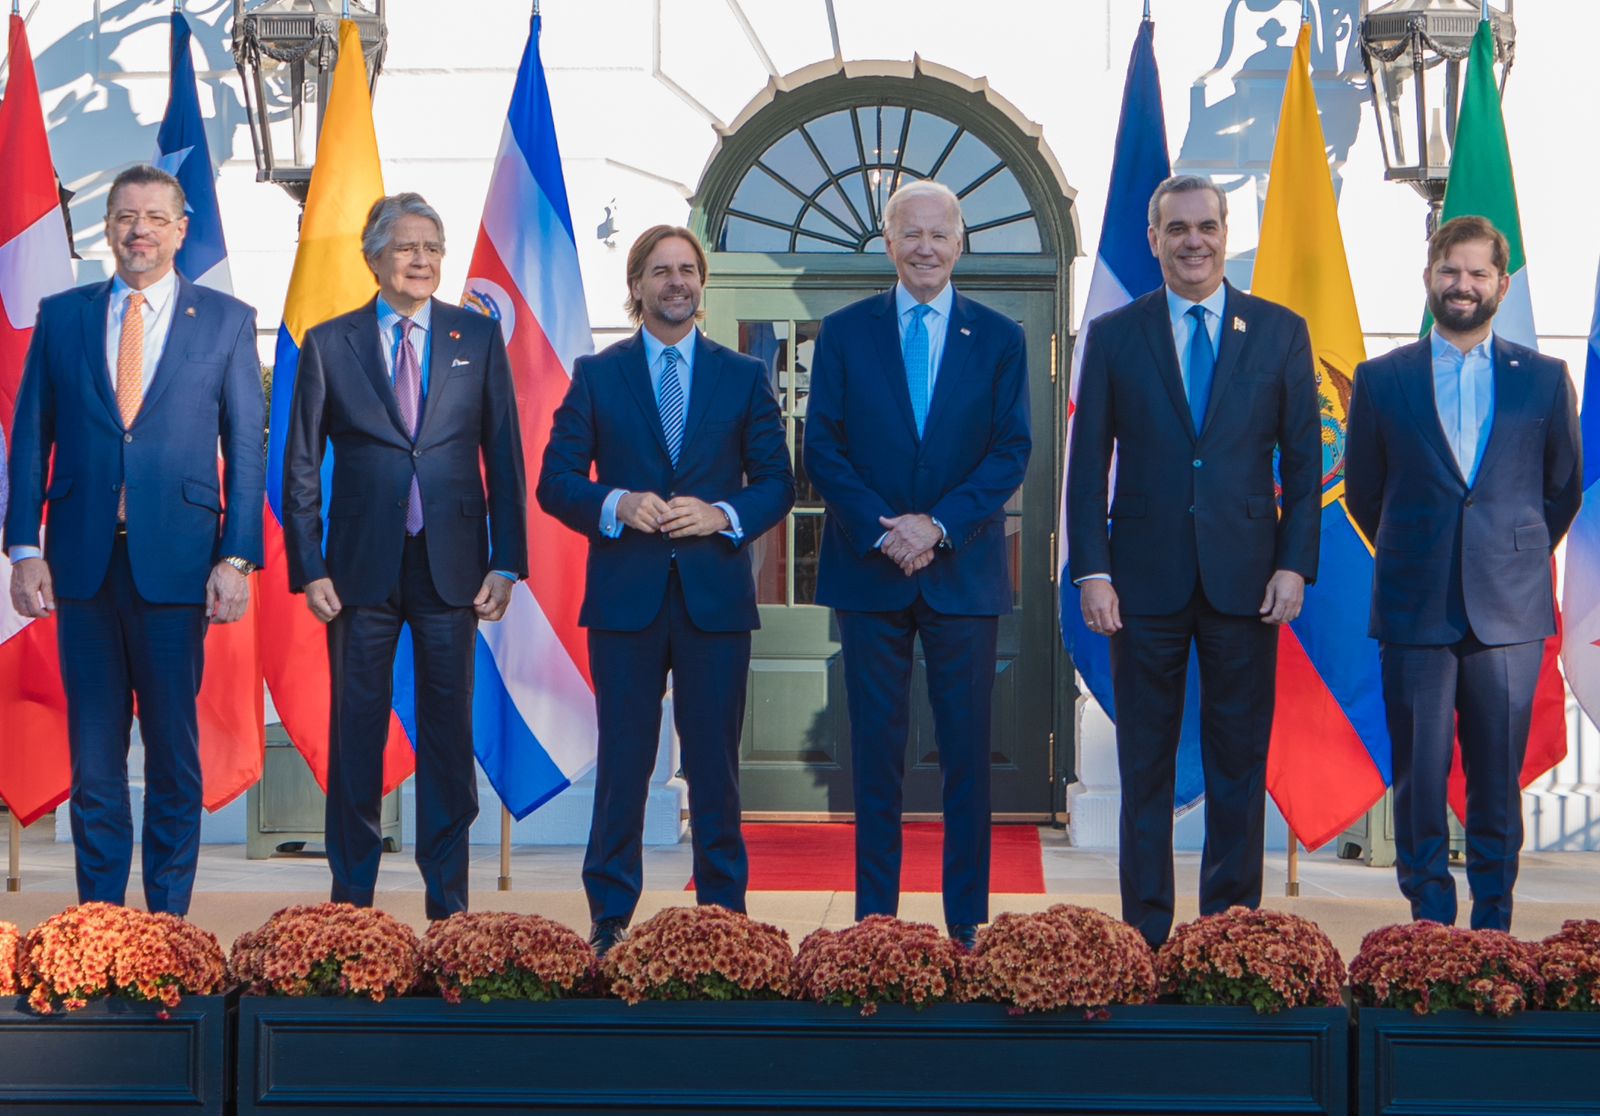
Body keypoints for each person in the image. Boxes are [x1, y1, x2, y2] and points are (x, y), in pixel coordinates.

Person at [1066, 174, 1320, 948]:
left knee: (1239, 762)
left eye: (1206, 226)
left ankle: (1228, 934)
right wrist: (1092, 570)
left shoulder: (1279, 332)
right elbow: (1087, 465)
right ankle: (1144, 934)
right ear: (1154, 239)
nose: (1193, 241)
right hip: (1141, 583)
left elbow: (1305, 463)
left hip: (1249, 581)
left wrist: (1294, 564)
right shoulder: (1116, 334)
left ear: (1225, 233)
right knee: (1144, 764)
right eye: (1176, 228)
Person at [6, 164, 265, 914]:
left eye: (154, 217)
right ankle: (101, 923)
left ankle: (167, 925)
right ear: (108, 229)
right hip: (81, 567)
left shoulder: (226, 319)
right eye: (125, 216)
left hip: (179, 567)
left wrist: (237, 557)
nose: (139, 230)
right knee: (94, 763)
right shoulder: (64, 316)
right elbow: (31, 438)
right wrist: (24, 549)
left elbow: (247, 446)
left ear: (181, 231)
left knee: (175, 759)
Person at [539, 225, 792, 957]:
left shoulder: (743, 375)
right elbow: (555, 480)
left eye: (687, 269)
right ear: (637, 285)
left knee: (715, 767)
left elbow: (777, 482)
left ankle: (724, 920)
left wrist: (723, 515)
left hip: (715, 599)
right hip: (627, 600)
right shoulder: (597, 373)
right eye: (660, 270)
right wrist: (615, 503)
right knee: (624, 763)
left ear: (701, 282)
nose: (676, 281)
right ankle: (609, 917)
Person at [281, 192, 527, 920]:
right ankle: (349, 908)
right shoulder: (330, 342)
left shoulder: (476, 336)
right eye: (407, 247)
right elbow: (300, 464)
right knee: (356, 734)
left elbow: (504, 456)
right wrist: (309, 565)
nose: (422, 260)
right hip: (357, 571)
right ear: (374, 257)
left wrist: (507, 560)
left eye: (432, 247)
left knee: (449, 738)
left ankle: (449, 908)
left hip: (454, 568)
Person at [803, 179, 1030, 948]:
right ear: (888, 243)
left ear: (960, 243)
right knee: (875, 757)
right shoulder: (843, 333)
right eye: (912, 233)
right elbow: (823, 447)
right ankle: (877, 925)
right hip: (869, 573)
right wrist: (885, 530)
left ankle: (966, 926)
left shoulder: (999, 338)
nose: (925, 247)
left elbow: (1011, 451)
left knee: (966, 759)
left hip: (963, 575)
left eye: (939, 234)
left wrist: (937, 525)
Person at [1345, 215, 1581, 932]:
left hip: (1508, 611)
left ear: (1502, 286)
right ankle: (1429, 925)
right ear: (1429, 278)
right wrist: (1423, 551)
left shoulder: (1544, 379)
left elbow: (1562, 489)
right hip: (1415, 606)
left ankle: (1493, 927)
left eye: (1479, 273)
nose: (1463, 285)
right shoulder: (1382, 380)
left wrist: (1505, 553)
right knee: (1419, 776)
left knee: (1496, 781)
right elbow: (1363, 492)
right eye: (1451, 270)